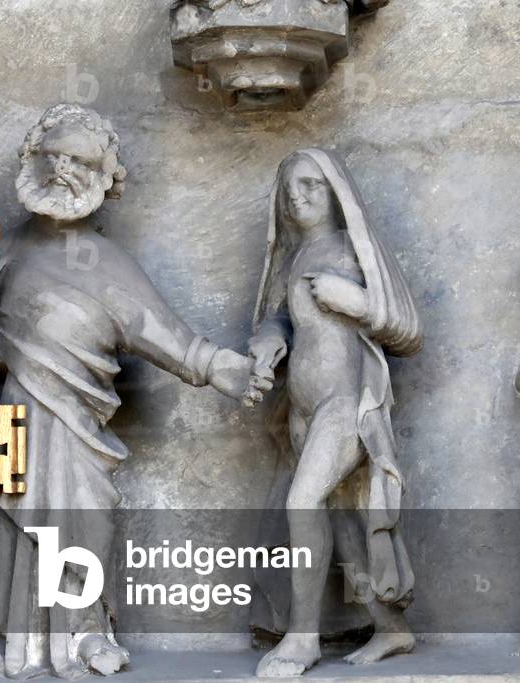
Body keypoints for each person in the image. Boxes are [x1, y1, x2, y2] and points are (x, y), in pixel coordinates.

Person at [0, 103, 264, 678]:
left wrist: (223, 368)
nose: (63, 168)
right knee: (12, 525)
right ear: (30, 161)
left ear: (105, 175)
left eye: (81, 159)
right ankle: (18, 643)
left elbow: (169, 337)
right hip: (10, 413)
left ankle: (88, 633)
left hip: (76, 422)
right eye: (52, 155)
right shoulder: (5, 254)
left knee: (83, 516)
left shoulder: (109, 263)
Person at [248, 148, 422, 677]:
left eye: (312, 186)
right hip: (303, 408)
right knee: (346, 524)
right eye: (290, 188)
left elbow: (406, 329)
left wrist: (356, 302)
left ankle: (302, 640)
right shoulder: (296, 255)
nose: (299, 197)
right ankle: (392, 629)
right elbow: (281, 318)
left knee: (303, 503)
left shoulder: (352, 249)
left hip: (347, 403)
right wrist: (268, 340)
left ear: (336, 192)